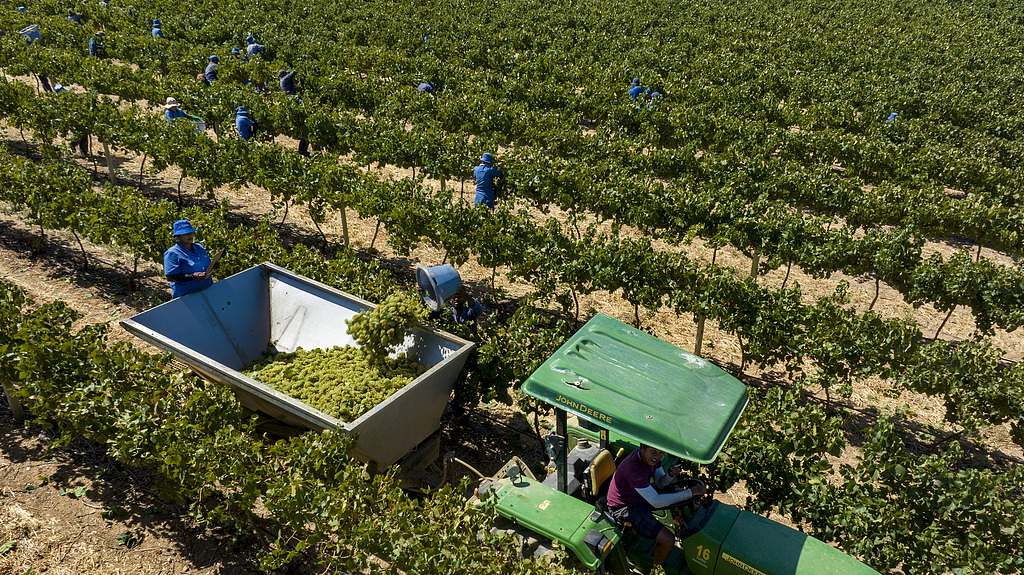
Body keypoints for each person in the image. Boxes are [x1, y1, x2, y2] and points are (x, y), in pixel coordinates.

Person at [606, 445, 704, 569]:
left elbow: (660, 483)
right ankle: (654, 567)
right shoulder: (633, 468)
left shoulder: (650, 458)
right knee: (668, 539)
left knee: (674, 498)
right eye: (654, 452)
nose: (657, 457)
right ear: (642, 448)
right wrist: (690, 493)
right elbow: (656, 501)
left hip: (638, 496)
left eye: (661, 453)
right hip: (624, 507)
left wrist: (669, 475)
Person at [163, 219, 215, 298]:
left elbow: (207, 265)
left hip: (207, 290)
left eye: (190, 232)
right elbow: (171, 277)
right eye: (185, 234)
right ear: (178, 237)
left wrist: (214, 266)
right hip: (186, 296)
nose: (189, 236)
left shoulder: (199, 247)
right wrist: (192, 276)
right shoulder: (172, 253)